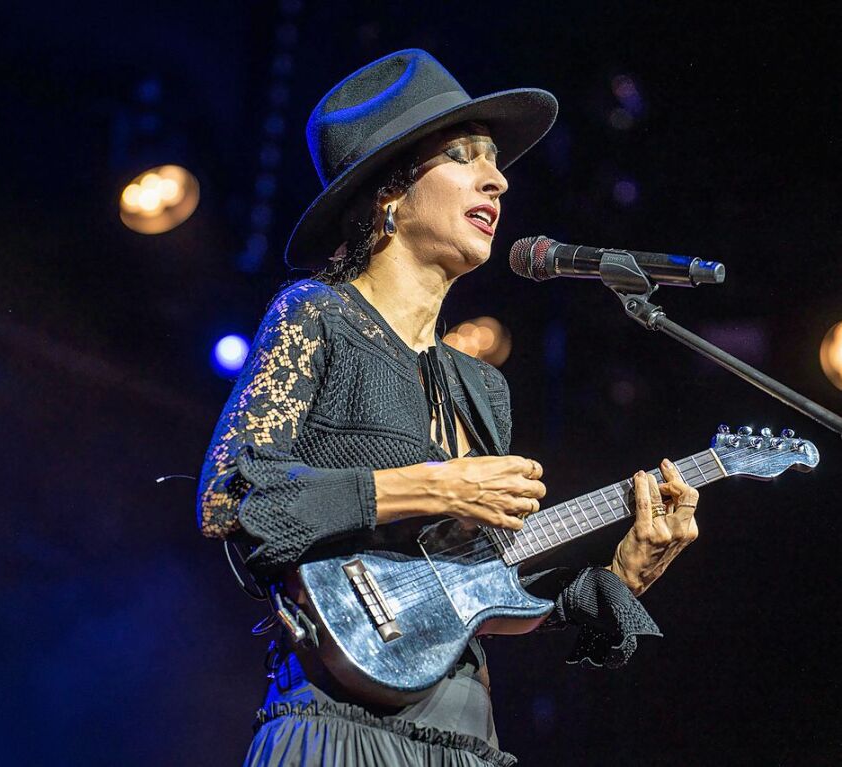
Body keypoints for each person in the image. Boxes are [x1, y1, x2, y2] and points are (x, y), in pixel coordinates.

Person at [197, 49, 700, 766]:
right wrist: (433, 485)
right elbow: (228, 498)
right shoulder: (314, 315)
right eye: (463, 157)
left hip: (465, 736)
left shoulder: (479, 385)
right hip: (338, 728)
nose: (496, 178)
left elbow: (475, 593)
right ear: (388, 194)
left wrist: (618, 577)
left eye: (494, 162)